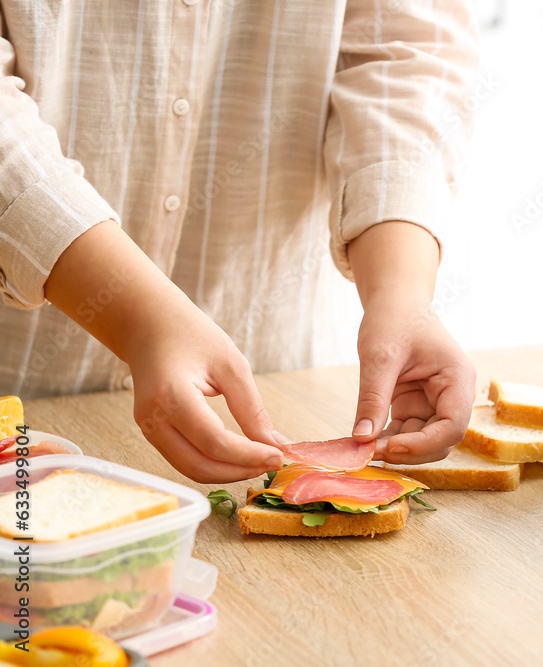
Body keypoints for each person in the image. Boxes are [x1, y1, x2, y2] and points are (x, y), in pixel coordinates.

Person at [0, 1, 479, 483]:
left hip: (285, 374)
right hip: (22, 390)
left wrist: (401, 292)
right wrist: (141, 319)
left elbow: (406, 54)